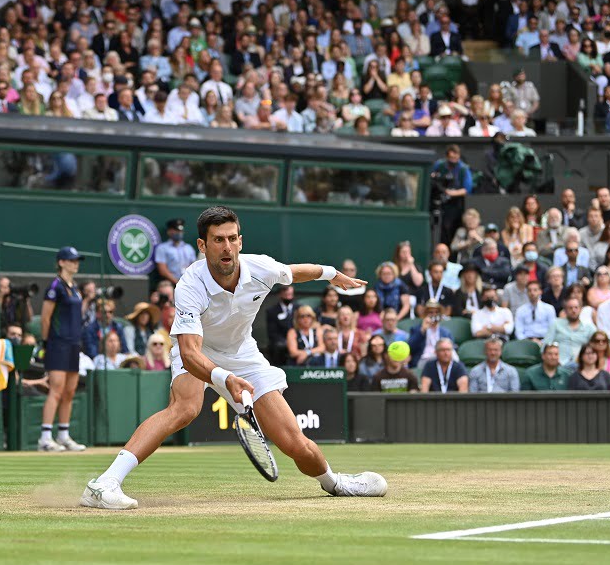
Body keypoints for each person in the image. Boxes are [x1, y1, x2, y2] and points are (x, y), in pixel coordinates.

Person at [80, 206, 386, 509]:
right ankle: (105, 483)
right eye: (217, 240)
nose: (227, 247)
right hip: (198, 351)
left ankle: (335, 483)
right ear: (202, 245)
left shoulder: (261, 269)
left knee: (294, 443)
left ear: (240, 240)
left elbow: (294, 272)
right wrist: (224, 377)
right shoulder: (189, 284)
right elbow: (188, 354)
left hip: (244, 355)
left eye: (232, 238)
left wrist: (332, 275)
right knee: (185, 408)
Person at [39, 246, 88, 453]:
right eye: (71, 260)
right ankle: (45, 438)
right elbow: (45, 317)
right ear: (61, 262)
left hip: (74, 344)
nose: (75, 263)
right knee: (56, 390)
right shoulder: (55, 286)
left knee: (69, 391)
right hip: (57, 344)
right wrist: (46, 342)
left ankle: (63, 435)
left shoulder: (75, 287)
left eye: (77, 260)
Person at [430, 144, 473, 245]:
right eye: (451, 158)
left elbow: (467, 189)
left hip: (455, 204)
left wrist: (451, 193)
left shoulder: (463, 169)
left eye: (456, 157)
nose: (453, 160)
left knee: (450, 229)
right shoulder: (439, 165)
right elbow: (431, 176)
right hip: (438, 200)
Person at [544, 297, 597, 367]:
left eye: (576, 307)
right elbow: (546, 345)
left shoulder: (589, 327)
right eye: (570, 308)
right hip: (559, 365)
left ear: (580, 309)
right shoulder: (556, 324)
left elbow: (596, 347)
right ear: (565, 310)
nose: (573, 310)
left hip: (582, 365)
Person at [154, 218, 197, 285]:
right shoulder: (162, 248)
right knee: (166, 288)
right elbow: (163, 270)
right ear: (169, 232)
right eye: (176, 231)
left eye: (180, 231)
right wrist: (177, 282)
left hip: (187, 282)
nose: (179, 233)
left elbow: (194, 267)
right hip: (170, 282)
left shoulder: (189, 248)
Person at [265, 284, 296, 365]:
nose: (288, 297)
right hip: (281, 343)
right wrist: (288, 342)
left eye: (290, 294)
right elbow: (272, 333)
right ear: (280, 294)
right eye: (286, 295)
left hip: (298, 340)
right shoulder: (272, 311)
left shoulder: (299, 309)